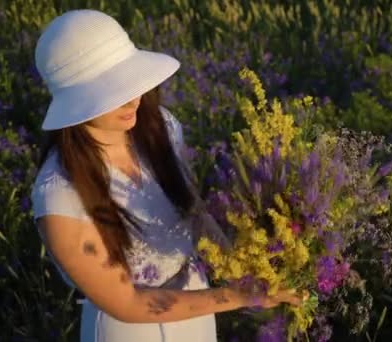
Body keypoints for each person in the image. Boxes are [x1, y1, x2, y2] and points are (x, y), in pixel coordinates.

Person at [30, 9, 302, 342]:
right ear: (77, 103)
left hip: (197, 308)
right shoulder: (60, 195)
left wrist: (247, 268)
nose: (133, 98)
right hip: (131, 331)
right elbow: (127, 303)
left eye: (132, 82)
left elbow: (193, 210)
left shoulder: (158, 127)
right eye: (112, 92)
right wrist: (242, 297)